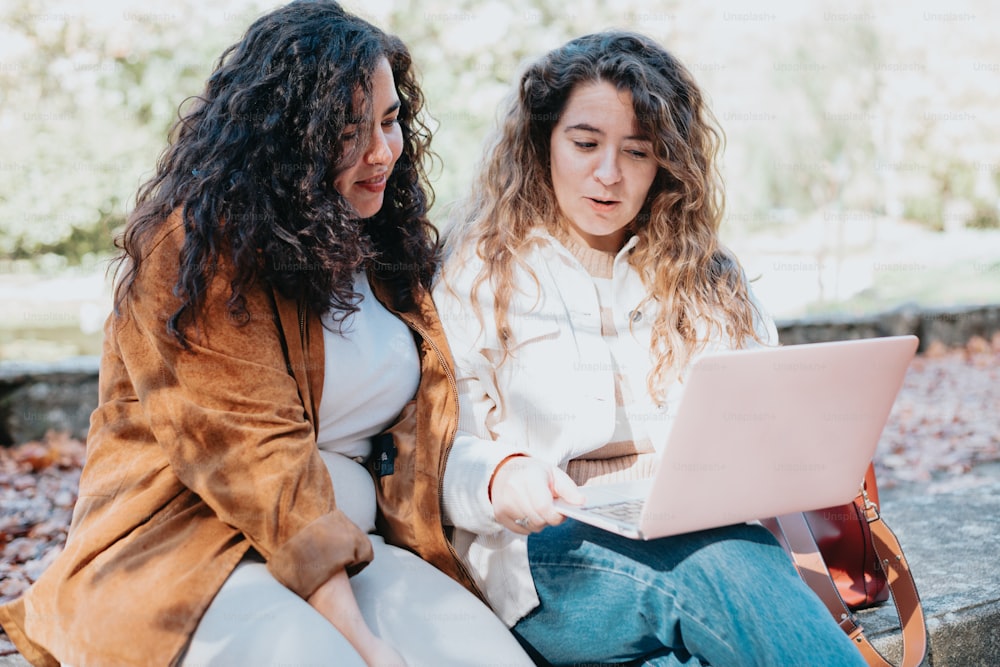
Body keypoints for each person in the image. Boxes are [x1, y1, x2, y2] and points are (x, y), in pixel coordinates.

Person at [0, 2, 532, 666]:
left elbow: (425, 428)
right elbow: (257, 460)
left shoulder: (381, 238)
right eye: (348, 130)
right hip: (191, 550)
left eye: (391, 120)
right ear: (287, 136)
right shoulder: (194, 247)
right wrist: (365, 642)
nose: (381, 151)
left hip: (356, 546)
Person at [432, 30, 869, 666]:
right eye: (584, 144)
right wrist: (500, 478)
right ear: (542, 143)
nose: (608, 174)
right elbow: (441, 452)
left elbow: (764, 414)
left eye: (636, 152)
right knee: (717, 559)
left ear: (664, 162)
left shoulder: (708, 275)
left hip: (694, 534)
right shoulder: (478, 272)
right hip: (550, 559)